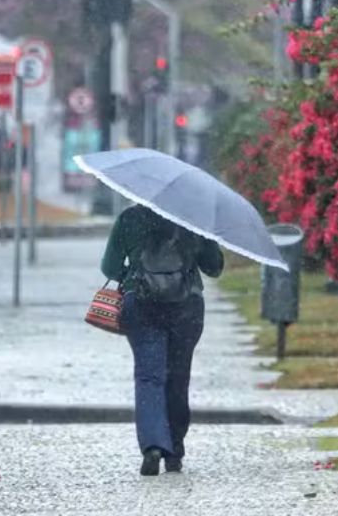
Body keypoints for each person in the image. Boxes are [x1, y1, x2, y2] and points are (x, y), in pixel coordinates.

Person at [100, 203, 224, 476]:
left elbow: (109, 267)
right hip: (187, 307)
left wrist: (132, 277)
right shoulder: (193, 216)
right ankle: (175, 451)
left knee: (149, 376)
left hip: (141, 305)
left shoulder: (129, 218)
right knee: (178, 377)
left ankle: (153, 446)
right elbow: (214, 268)